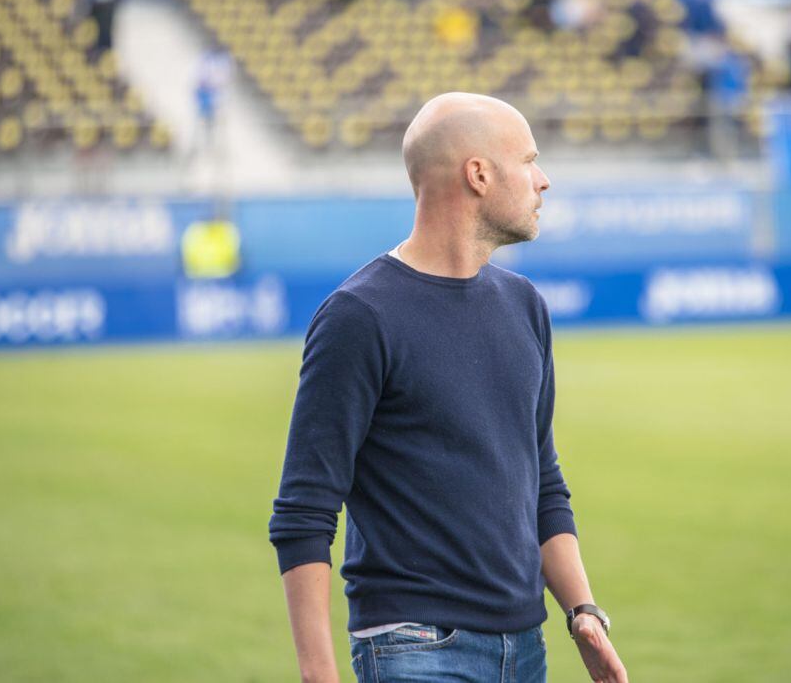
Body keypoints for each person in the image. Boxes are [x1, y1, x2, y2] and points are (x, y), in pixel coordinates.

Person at [269, 92, 628, 683]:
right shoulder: (359, 315)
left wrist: (581, 610)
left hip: (525, 646)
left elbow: (543, 482)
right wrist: (319, 674)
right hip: (416, 650)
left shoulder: (524, 306)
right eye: (529, 160)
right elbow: (303, 511)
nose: (543, 180)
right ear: (479, 174)